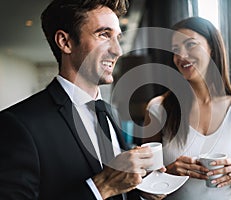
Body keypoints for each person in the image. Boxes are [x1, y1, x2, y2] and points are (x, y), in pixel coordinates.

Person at [0, 0, 155, 199]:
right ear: (65, 42)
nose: (118, 50)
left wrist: (142, 187)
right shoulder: (17, 125)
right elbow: (107, 186)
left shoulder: (111, 113)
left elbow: (119, 186)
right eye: (104, 35)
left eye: (118, 38)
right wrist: (101, 187)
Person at [143, 16, 231, 199]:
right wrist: (170, 172)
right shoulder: (158, 108)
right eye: (175, 50)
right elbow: (144, 187)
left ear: (212, 48)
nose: (181, 56)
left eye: (190, 45)